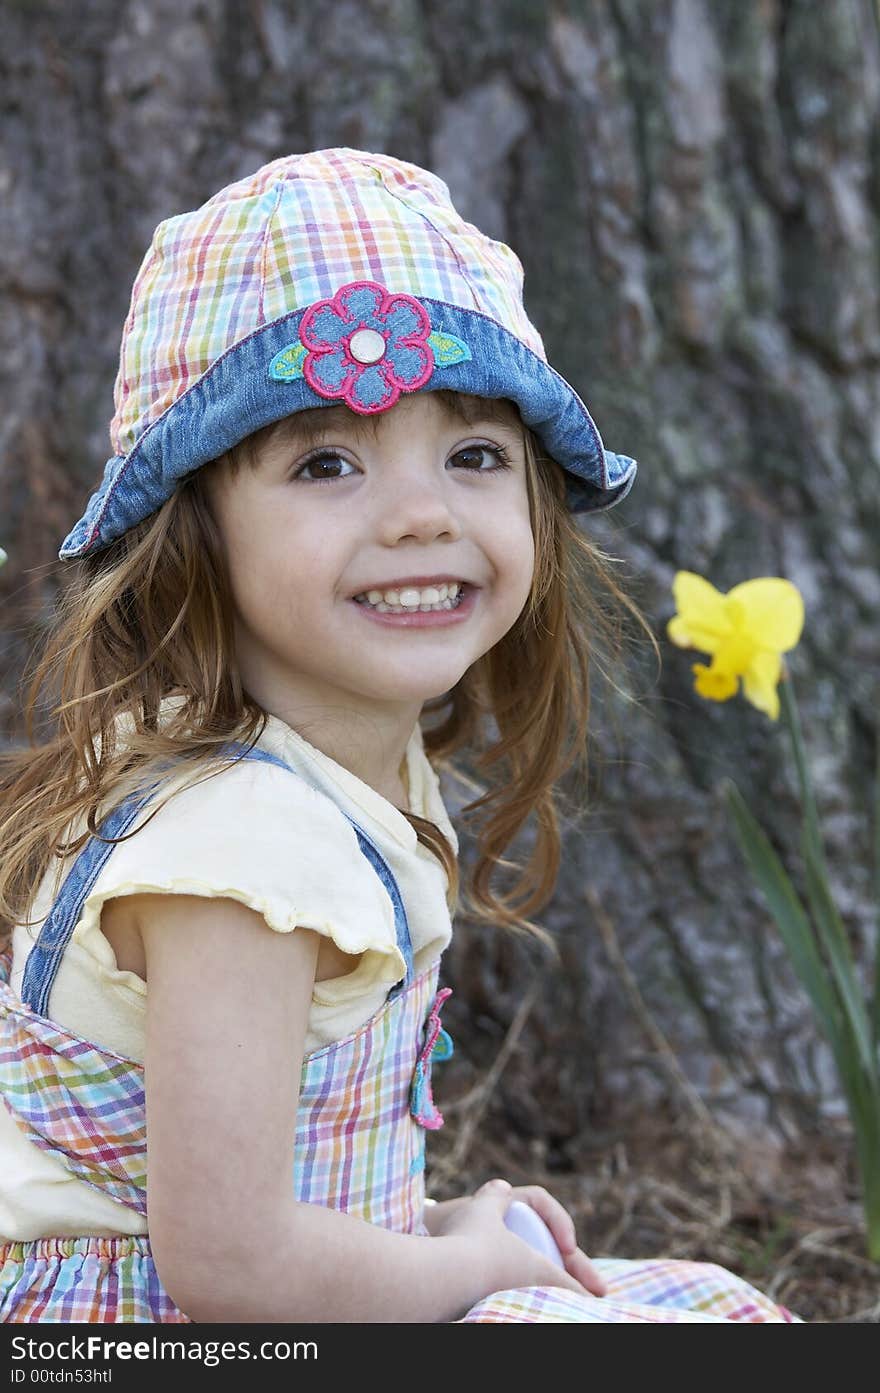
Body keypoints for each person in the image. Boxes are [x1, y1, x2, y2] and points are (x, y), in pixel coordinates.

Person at [0, 149, 799, 1323]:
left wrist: (444, 1225)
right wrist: (475, 1272)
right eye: (328, 462)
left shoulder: (320, 777)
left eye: (474, 454)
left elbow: (271, 1191)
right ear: (197, 537)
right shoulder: (236, 851)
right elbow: (229, 1270)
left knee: (702, 1303)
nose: (424, 512)